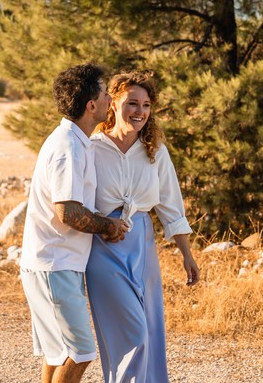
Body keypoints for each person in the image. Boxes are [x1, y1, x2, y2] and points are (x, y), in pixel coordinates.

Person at [85, 71, 200, 383]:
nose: (139, 111)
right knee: (132, 335)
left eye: (146, 105)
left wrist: (186, 255)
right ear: (112, 103)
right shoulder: (92, 148)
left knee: (149, 333)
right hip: (102, 249)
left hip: (142, 247)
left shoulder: (155, 150)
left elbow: (170, 206)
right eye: (132, 103)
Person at [20, 63, 130, 383]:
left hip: (54, 265)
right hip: (55, 266)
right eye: (105, 93)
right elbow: (67, 211)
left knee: (59, 354)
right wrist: (108, 227)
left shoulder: (74, 140)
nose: (111, 99)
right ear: (91, 105)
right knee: (81, 352)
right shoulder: (68, 147)